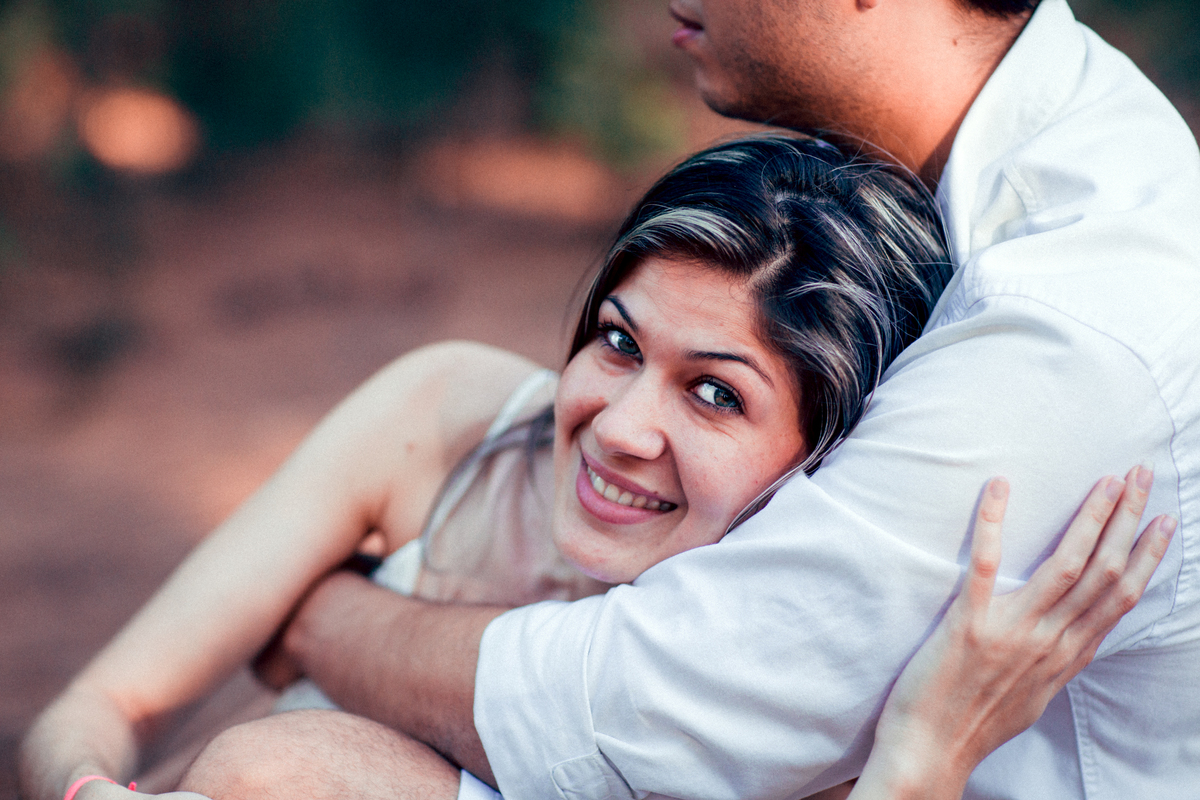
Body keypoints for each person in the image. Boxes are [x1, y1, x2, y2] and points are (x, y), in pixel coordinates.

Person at [219, 0, 1200, 799]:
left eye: (716, 392)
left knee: (280, 772)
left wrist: (313, 616)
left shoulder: (1068, 326)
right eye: (618, 344)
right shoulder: (1032, 171)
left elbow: (657, 708)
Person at [19, 133, 1055, 800]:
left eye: (714, 393)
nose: (618, 428)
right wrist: (86, 786)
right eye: (618, 340)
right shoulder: (450, 424)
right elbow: (100, 705)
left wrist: (921, 765)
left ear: (826, 453)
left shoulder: (809, 656)